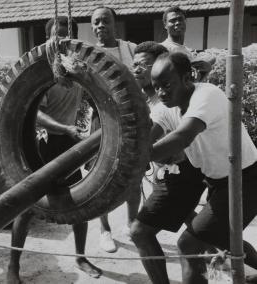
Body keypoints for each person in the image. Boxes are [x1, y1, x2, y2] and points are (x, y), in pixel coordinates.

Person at [6, 16, 102, 284]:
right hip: (43, 142)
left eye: (65, 34)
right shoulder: (45, 73)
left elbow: (95, 98)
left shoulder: (75, 70)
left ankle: (81, 257)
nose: (60, 39)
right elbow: (36, 115)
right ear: (48, 38)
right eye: (55, 34)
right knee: (26, 206)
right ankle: (12, 266)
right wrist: (65, 127)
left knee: (79, 201)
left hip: (68, 142)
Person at [149, 52, 257, 284]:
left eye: (167, 85)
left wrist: (139, 157)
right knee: (225, 240)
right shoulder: (168, 106)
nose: (161, 93)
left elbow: (183, 136)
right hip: (217, 182)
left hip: (245, 179)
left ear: (188, 77)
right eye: (156, 87)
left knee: (189, 243)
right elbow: (148, 133)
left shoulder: (206, 94)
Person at [130, 42, 210, 284]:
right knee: (208, 233)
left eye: (143, 65)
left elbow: (167, 144)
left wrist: (137, 156)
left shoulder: (167, 101)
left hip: (184, 174)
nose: (136, 70)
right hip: (177, 172)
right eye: (134, 65)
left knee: (140, 232)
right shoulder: (152, 99)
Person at [90, 6, 141, 253]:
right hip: (101, 121)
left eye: (105, 21)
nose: (101, 26)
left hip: (130, 120)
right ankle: (104, 230)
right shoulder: (87, 54)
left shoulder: (130, 49)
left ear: (115, 24)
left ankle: (132, 223)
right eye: (96, 22)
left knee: (133, 173)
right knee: (100, 177)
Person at [161, 6, 214, 81]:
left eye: (180, 19)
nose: (178, 23)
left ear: (185, 22)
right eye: (172, 20)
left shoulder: (188, 51)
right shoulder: (163, 49)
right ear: (165, 25)